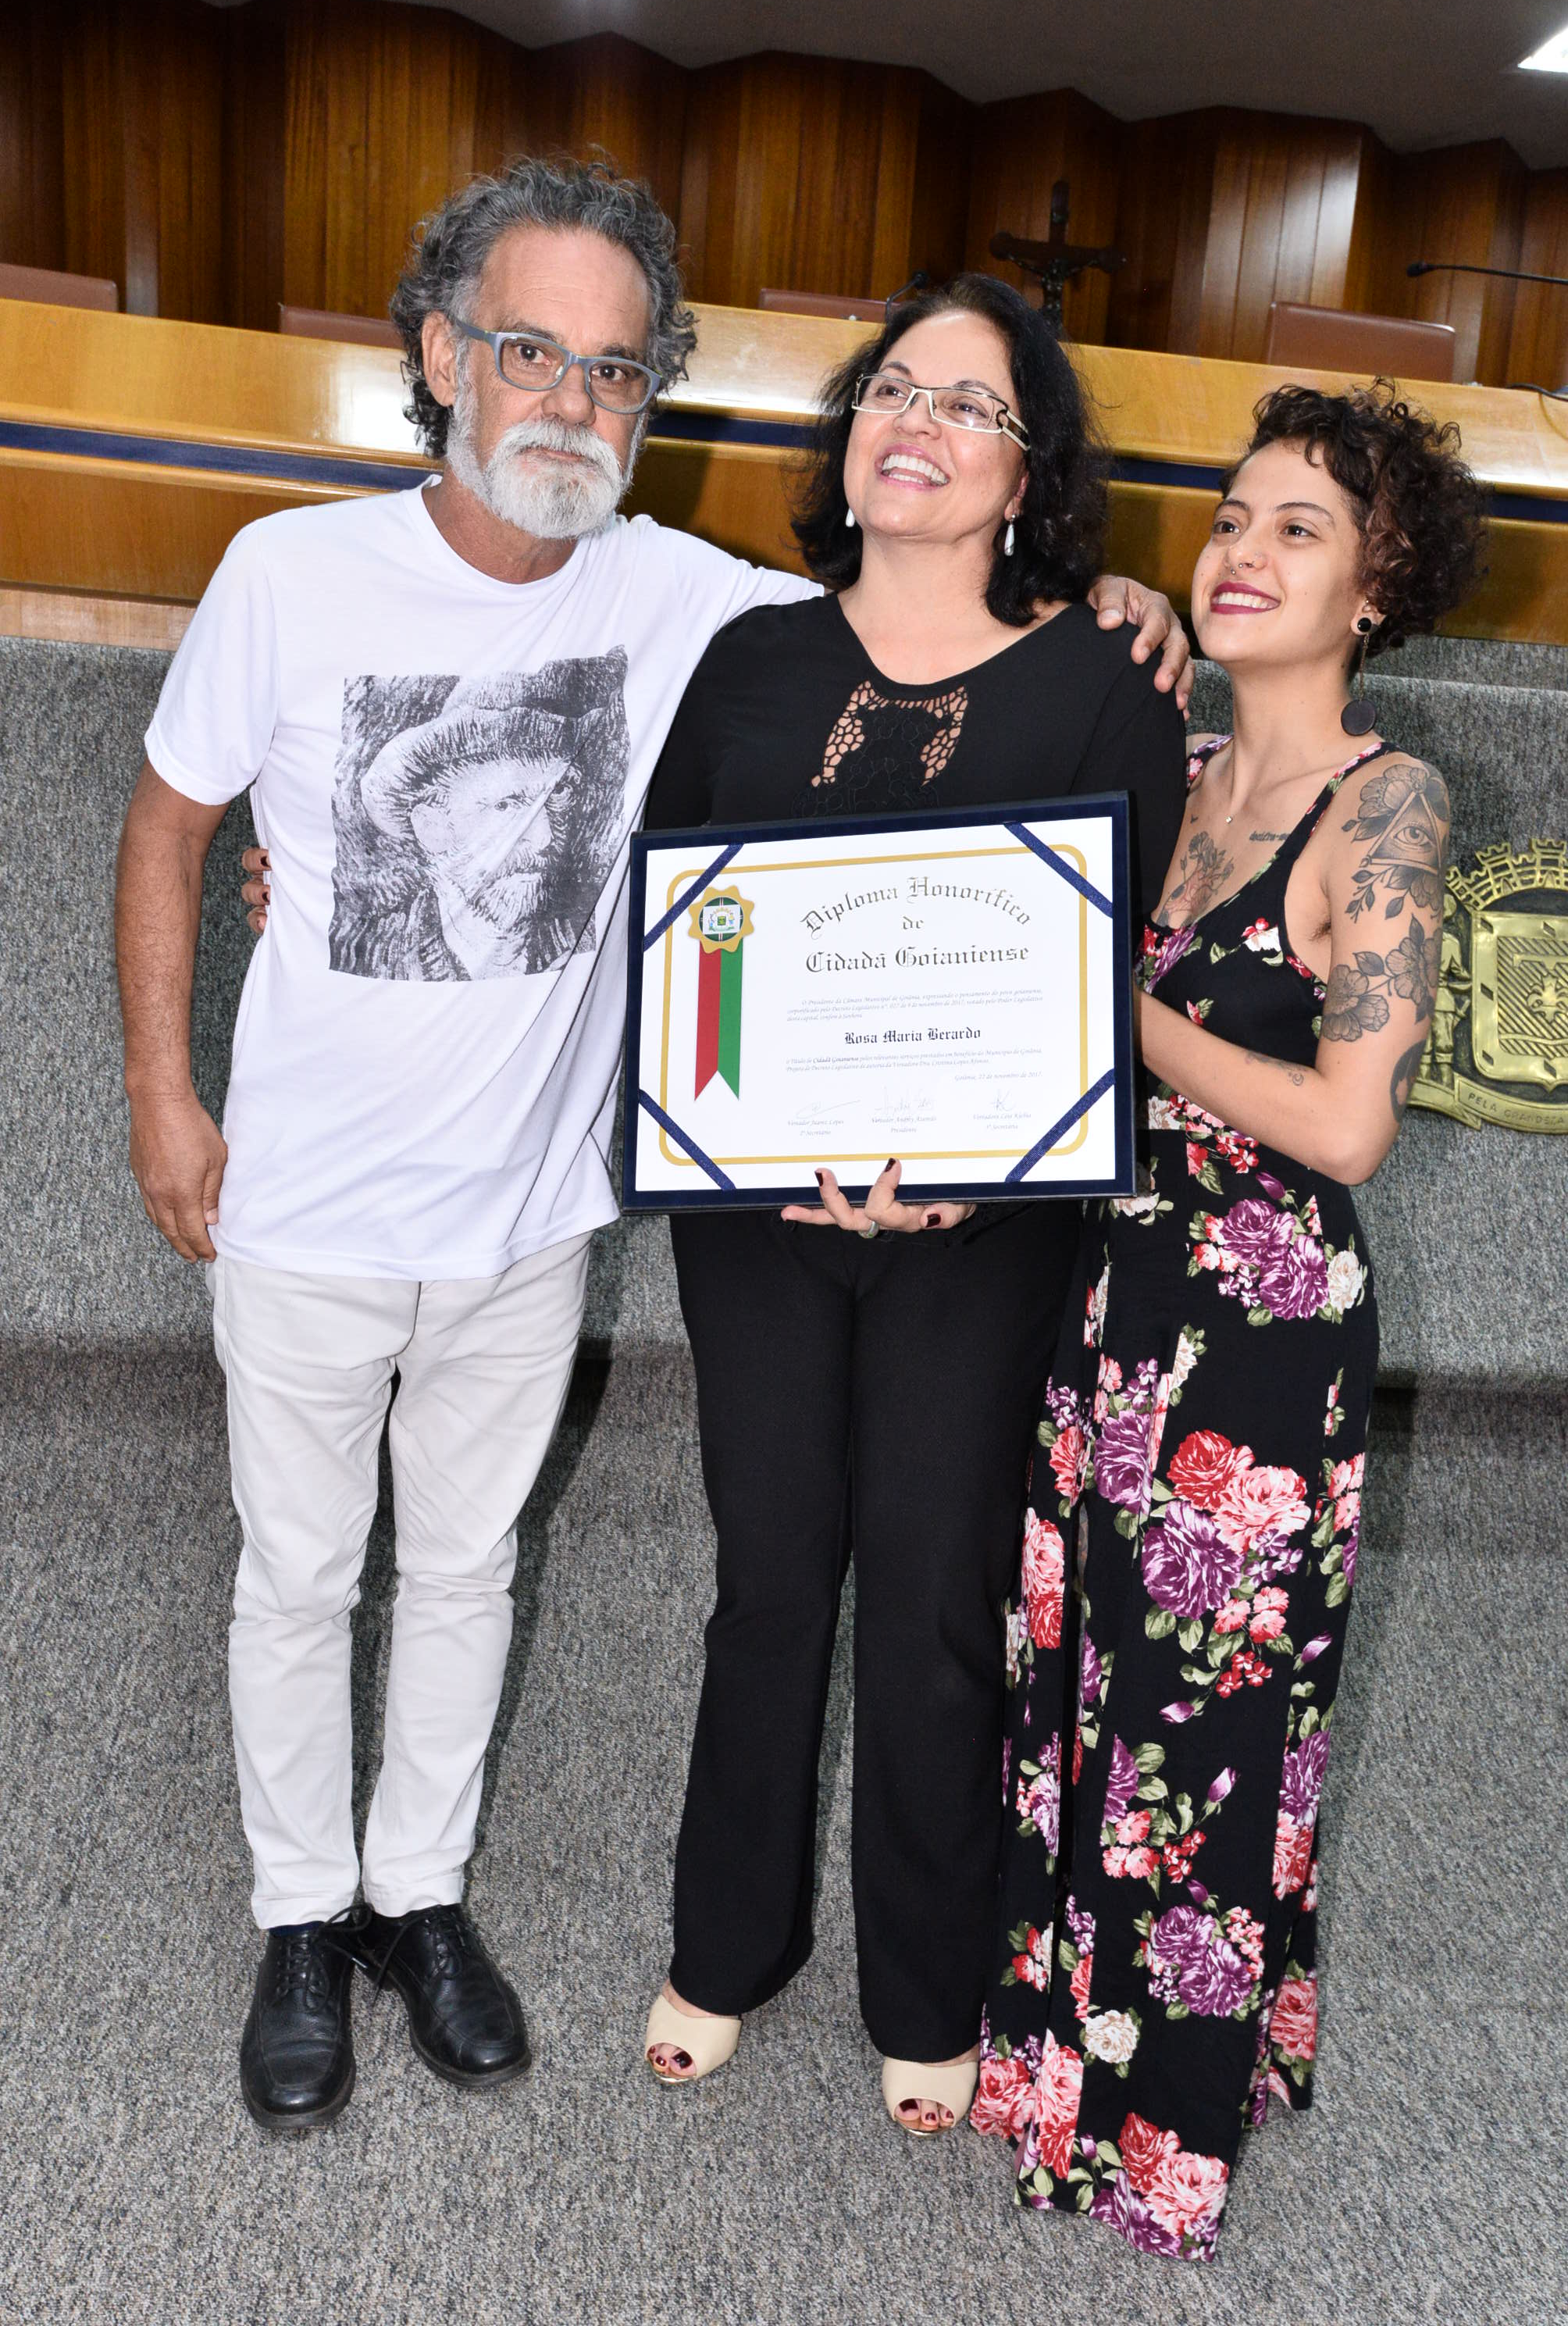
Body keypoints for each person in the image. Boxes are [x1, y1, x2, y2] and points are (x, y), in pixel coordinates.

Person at [119, 155, 1192, 2135]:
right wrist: (164, 1096)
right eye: (529, 352)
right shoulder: (287, 571)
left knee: (466, 1574)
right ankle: (298, 1917)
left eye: (615, 372)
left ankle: (418, 1897)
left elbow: (924, 627)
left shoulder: (692, 602)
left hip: (533, 1212)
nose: (570, 401)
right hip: (303, 1197)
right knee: (297, 1574)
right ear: (440, 354)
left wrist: (1121, 594)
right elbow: (174, 824)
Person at [637, 274, 1188, 2135]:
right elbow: (671, 917)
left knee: (938, 1593)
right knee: (767, 1570)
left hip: (990, 1226)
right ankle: (725, 1942)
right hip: (756, 1214)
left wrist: (975, 1165)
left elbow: (1106, 969)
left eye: (968, 404)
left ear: (1027, 475)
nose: (916, 423)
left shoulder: (1104, 677)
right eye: (891, 390)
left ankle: (923, 1982)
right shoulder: (749, 657)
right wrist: (730, 1123)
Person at [973, 381, 1485, 2256]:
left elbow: (1346, 1126)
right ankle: (1061, 2060)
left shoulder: (1388, 800)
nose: (1242, 552)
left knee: (1203, 1729)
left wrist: (1115, 1012)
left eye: (1299, 528)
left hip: (1255, 1337)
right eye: (1229, 518)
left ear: (1377, 584)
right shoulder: (1175, 766)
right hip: (1109, 1297)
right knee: (1086, 1689)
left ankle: (1164, 2127)